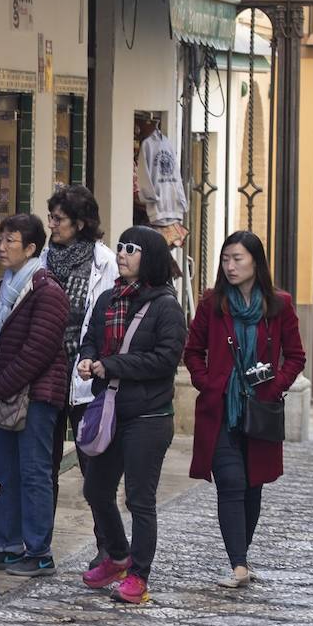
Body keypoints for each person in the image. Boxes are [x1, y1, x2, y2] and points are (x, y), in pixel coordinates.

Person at [184, 231, 306, 588]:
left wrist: (275, 387)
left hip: (261, 411)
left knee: (253, 486)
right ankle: (238, 564)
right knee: (232, 483)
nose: (231, 265)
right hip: (220, 409)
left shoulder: (279, 304)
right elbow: (192, 350)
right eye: (226, 259)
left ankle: (243, 555)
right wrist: (207, 382)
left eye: (237, 258)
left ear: (256, 261)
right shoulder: (212, 302)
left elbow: (296, 356)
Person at [77, 226, 186, 604]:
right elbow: (90, 337)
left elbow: (165, 359)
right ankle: (118, 556)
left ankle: (138, 576)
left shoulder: (166, 307)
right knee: (96, 489)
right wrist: (89, 359)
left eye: (131, 249)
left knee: (140, 499)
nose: (121, 254)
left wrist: (112, 365)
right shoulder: (108, 299)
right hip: (110, 410)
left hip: (149, 417)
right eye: (120, 247)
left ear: (150, 257)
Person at [0, 214, 70, 576]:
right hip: (7, 393)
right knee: (7, 473)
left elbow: (37, 353)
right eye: (0, 239)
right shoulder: (6, 286)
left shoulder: (47, 291)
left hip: (37, 396)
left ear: (30, 248)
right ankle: (8, 545)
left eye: (9, 241)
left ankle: (39, 551)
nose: (0, 246)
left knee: (34, 473)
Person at [39, 185, 118, 567]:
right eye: (51, 217)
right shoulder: (42, 256)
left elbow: (107, 319)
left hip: (85, 376)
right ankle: (39, 545)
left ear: (80, 224)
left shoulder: (103, 261)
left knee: (93, 465)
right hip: (47, 373)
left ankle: (107, 545)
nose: (51, 225)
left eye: (59, 219)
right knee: (44, 463)